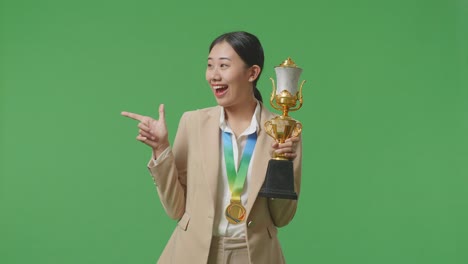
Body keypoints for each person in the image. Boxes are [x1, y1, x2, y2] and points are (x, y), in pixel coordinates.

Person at [121, 31, 302, 264]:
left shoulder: (285, 130)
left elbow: (282, 217)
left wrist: (282, 165)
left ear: (252, 73)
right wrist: (161, 149)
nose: (213, 76)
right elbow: (176, 210)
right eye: (210, 65)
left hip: (254, 255)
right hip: (195, 254)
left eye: (224, 66)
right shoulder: (192, 123)